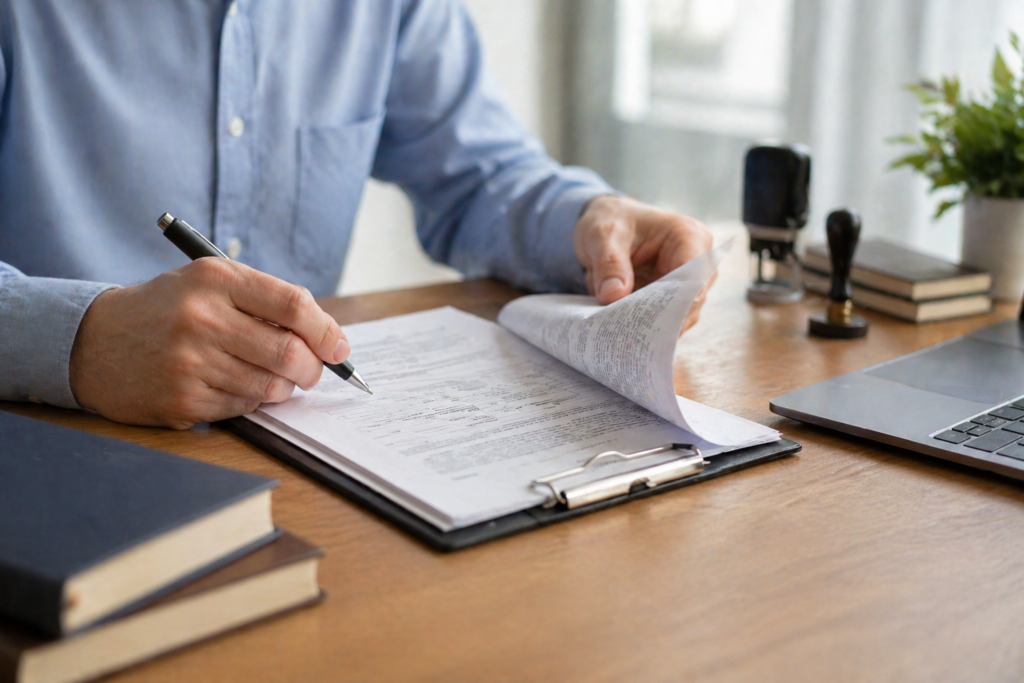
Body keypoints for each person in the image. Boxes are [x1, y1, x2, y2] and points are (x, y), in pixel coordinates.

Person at [0, 0, 713, 430]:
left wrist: (593, 218)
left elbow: (480, 173)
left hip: (296, 456)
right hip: (50, 448)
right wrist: (83, 342)